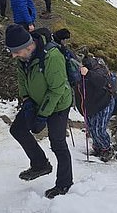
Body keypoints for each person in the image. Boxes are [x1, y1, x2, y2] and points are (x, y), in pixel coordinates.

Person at [6, 24, 73, 199]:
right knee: (17, 129)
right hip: (35, 101)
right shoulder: (23, 57)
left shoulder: (52, 57)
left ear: (29, 46)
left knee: (58, 143)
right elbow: (22, 78)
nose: (14, 56)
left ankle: (64, 183)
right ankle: (40, 164)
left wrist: (43, 115)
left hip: (58, 105)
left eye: (16, 52)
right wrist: (26, 100)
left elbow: (57, 89)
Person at [74, 57, 115, 162]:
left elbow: (101, 81)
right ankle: (98, 147)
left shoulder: (99, 70)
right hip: (91, 105)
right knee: (92, 129)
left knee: (99, 129)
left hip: (104, 102)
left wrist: (88, 74)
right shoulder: (78, 75)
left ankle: (107, 149)